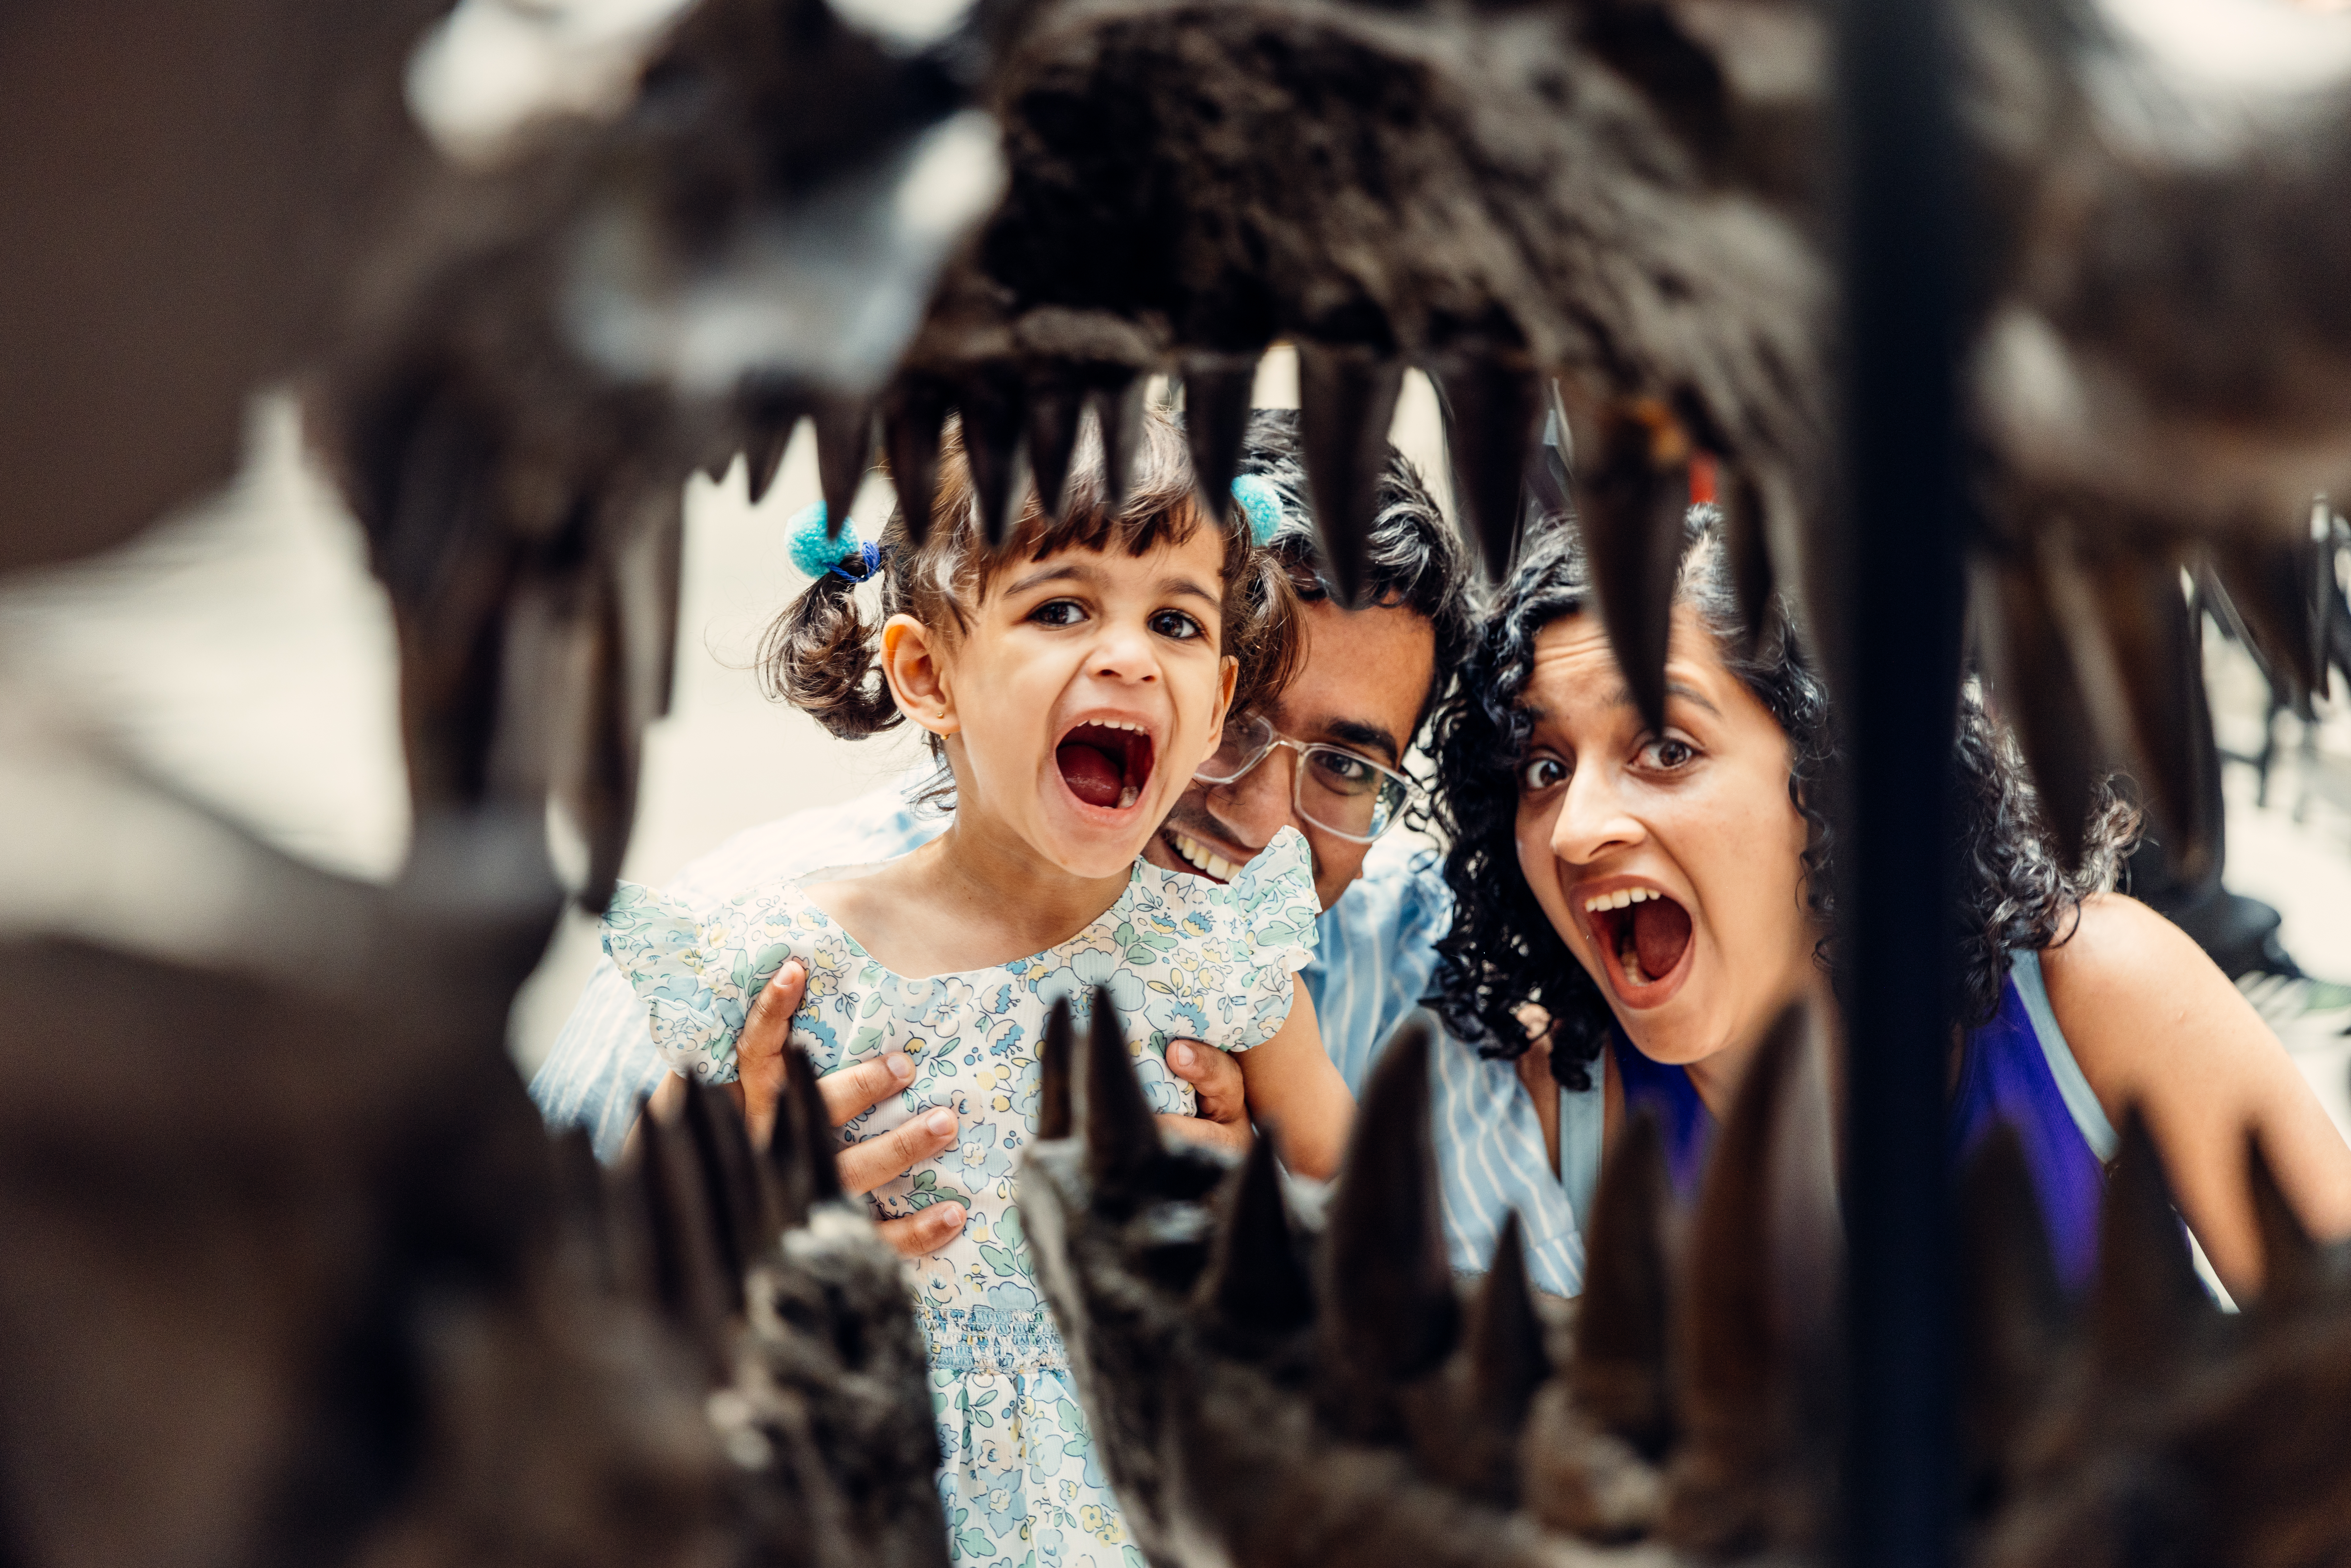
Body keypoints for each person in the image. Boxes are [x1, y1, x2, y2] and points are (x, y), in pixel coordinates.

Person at [602, 406, 1351, 1566]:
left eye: (1176, 621)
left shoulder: (1217, 961)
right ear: (926, 672)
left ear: (1214, 709)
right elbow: (622, 1250)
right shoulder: (786, 966)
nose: (1127, 654)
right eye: (1062, 608)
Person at [530, 406, 1480, 1247]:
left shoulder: (1256, 960)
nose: (1267, 819)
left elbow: (1392, 1251)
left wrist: (1263, 1246)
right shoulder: (770, 947)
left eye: (1350, 768)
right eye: (1064, 611)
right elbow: (531, 1298)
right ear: (931, 676)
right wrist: (722, 1245)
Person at [1427, 508, 2351, 1300]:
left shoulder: (2097, 993)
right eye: (1543, 769)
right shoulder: (1556, 1110)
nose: (1575, 830)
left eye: (1667, 750)